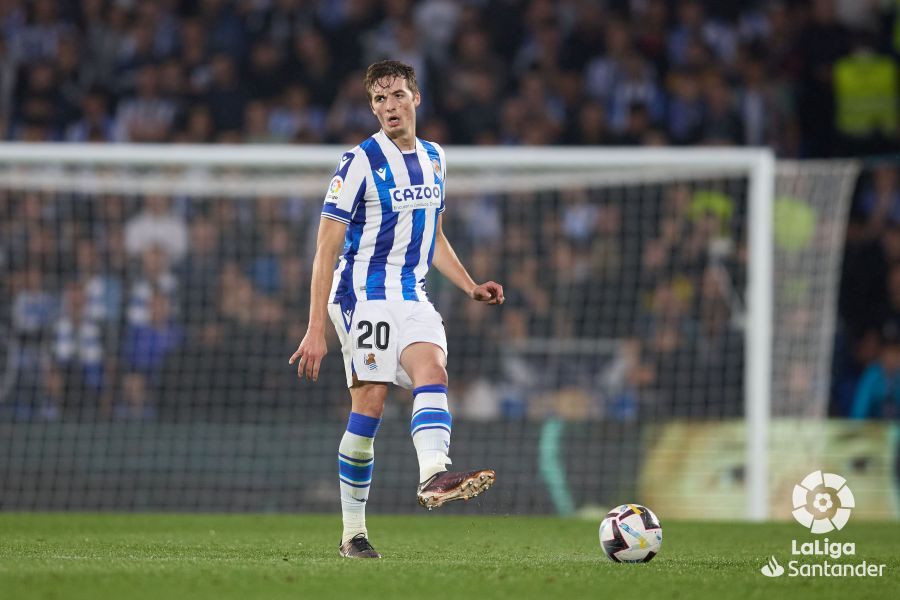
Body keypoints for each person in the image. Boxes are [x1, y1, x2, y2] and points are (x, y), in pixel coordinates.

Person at [289, 60, 504, 559]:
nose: (390, 106)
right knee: (369, 409)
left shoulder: (434, 158)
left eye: (398, 95)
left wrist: (470, 285)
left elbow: (432, 234)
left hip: (413, 294)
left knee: (433, 369)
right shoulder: (358, 162)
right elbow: (325, 248)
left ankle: (433, 474)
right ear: (371, 106)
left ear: (417, 98)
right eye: (380, 99)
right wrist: (315, 327)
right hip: (361, 297)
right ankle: (352, 533)